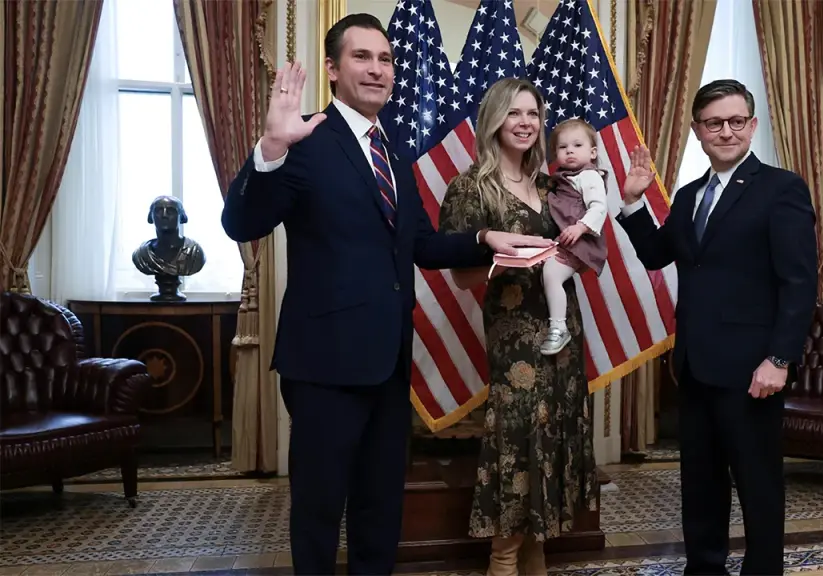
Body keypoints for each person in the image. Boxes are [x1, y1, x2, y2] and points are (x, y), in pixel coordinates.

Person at [221, 14, 553, 576]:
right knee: (320, 509)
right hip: (325, 362)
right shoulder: (303, 140)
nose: (378, 69)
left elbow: (420, 243)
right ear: (332, 68)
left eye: (386, 59)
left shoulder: (393, 150)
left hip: (389, 361)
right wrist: (271, 146)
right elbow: (240, 221)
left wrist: (482, 238)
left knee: (380, 511)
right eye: (362, 57)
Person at [438, 78, 650, 576]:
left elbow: (587, 237)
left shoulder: (551, 183)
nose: (525, 122)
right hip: (514, 339)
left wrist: (626, 200)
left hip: (563, 333)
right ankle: (502, 562)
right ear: (494, 119)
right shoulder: (471, 187)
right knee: (515, 444)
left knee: (551, 440)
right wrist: (505, 257)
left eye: (533, 114)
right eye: (514, 113)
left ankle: (536, 561)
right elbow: (462, 277)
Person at [616, 79, 818, 575]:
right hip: (696, 367)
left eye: (735, 121)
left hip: (753, 371)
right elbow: (657, 254)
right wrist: (633, 204)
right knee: (700, 484)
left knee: (758, 485)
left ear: (751, 125)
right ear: (697, 131)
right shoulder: (687, 196)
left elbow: (799, 282)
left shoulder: (782, 188)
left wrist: (779, 359)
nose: (725, 131)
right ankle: (704, 569)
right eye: (714, 123)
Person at [539, 119, 609, 356]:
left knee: (551, 273)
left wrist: (580, 227)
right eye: (562, 147)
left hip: (580, 242)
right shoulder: (566, 177)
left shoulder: (588, 177)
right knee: (548, 272)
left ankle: (558, 327)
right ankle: (557, 324)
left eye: (577, 145)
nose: (569, 150)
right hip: (568, 240)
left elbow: (599, 207)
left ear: (592, 153)